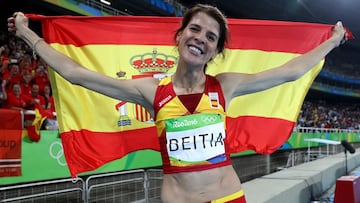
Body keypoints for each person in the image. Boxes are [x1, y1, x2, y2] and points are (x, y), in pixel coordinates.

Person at [7, 4, 347, 203]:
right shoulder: (151, 91)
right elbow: (77, 74)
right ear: (180, 36)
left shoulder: (225, 86)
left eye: (210, 37)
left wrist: (331, 43)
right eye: (195, 29)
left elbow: (290, 71)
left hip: (228, 198)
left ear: (215, 51)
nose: (200, 38)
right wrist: (27, 34)